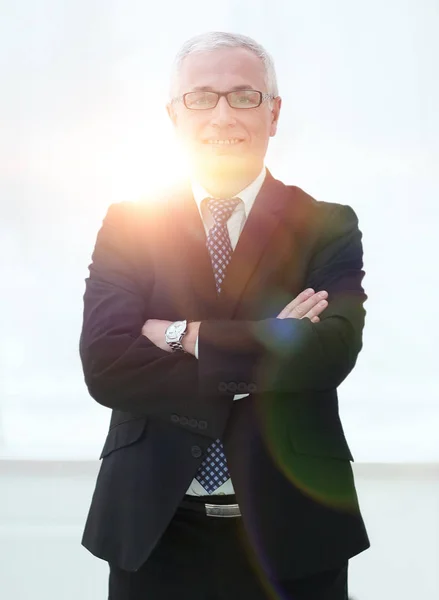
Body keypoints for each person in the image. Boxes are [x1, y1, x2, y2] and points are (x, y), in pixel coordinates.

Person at [79, 31, 370, 600]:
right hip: (154, 524)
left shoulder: (328, 225)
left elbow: (329, 354)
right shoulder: (128, 223)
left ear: (273, 112)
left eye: (243, 95)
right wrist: (270, 343)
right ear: (173, 115)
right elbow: (107, 364)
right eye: (201, 97)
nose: (221, 114)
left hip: (294, 525)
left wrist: (178, 334)